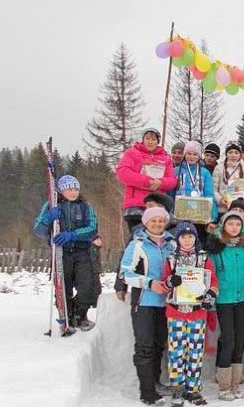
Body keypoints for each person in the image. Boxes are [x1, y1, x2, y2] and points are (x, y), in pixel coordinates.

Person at [120, 207, 176, 406]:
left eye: (161, 221)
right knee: (144, 346)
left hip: (166, 304)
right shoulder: (137, 245)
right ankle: (147, 392)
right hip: (144, 302)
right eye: (153, 221)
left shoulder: (172, 244)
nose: (157, 224)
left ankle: (155, 382)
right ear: (146, 222)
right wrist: (149, 283)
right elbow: (125, 274)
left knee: (159, 346)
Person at [161, 222, 218, 407]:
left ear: (195, 238)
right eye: (183, 237)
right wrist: (171, 281)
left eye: (190, 236)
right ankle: (177, 387)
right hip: (176, 311)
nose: (187, 240)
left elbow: (213, 282)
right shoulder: (171, 259)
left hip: (196, 312)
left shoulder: (203, 259)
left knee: (195, 351)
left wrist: (210, 295)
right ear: (178, 239)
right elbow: (164, 283)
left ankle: (192, 389)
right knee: (176, 351)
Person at [33, 174, 99, 331]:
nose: (73, 192)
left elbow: (92, 228)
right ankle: (66, 315)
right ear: (62, 191)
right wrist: (48, 218)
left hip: (82, 251)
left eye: (76, 188)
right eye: (69, 189)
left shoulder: (85, 206)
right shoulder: (52, 206)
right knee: (63, 286)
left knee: (87, 286)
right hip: (62, 253)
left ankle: (80, 314)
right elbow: (38, 230)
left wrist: (73, 234)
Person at [206, 210, 244, 400]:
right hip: (223, 299)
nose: (234, 228)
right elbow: (209, 275)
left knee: (240, 339)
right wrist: (211, 307)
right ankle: (224, 385)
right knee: (228, 339)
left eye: (238, 224)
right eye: (230, 224)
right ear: (223, 225)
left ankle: (235, 384)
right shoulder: (215, 245)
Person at [115, 127, 176, 232]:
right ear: (143, 139)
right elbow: (123, 173)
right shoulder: (131, 153)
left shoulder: (166, 158)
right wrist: (146, 181)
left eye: (153, 139)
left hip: (157, 204)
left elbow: (172, 180)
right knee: (137, 238)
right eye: (147, 138)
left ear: (158, 141)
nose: (150, 142)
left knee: (156, 238)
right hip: (136, 205)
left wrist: (160, 183)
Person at [172, 141, 218, 236]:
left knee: (197, 239)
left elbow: (209, 194)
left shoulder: (205, 173)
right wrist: (171, 210)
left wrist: (212, 215)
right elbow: (171, 193)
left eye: (195, 154)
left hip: (199, 214)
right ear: (184, 155)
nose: (191, 157)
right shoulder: (176, 171)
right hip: (180, 213)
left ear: (199, 156)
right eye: (189, 154)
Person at [212, 142, 244, 215]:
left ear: (240, 155)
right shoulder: (219, 168)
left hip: (242, 209)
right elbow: (214, 189)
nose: (233, 155)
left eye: (236, 153)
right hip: (223, 209)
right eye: (230, 152)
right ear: (226, 154)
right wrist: (220, 200)